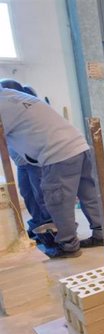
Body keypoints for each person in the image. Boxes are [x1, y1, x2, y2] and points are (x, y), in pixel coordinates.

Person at [0, 83, 104, 259]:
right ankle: (101, 234)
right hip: (79, 147)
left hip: (58, 154)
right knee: (89, 195)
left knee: (58, 201)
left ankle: (68, 245)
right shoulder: (14, 95)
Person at [0, 79, 53, 244]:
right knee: (27, 194)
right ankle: (38, 224)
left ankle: (51, 228)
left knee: (41, 195)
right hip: (21, 162)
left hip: (33, 159)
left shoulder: (22, 106)